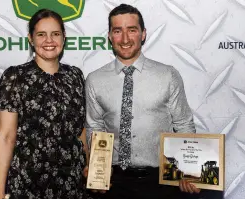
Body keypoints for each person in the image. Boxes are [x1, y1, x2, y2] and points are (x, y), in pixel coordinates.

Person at [85, 4, 206, 199]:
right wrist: (97, 172)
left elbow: (184, 124)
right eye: (118, 31)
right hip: (114, 183)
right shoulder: (94, 80)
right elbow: (95, 128)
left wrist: (189, 170)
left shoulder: (168, 75)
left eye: (132, 30)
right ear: (109, 36)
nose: (125, 39)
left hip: (160, 183)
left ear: (143, 34)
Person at [0, 9, 88, 199]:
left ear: (64, 37)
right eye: (41, 34)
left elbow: (80, 129)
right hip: (28, 186)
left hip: (73, 185)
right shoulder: (15, 77)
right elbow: (5, 137)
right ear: (30, 39)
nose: (49, 41)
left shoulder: (75, 76)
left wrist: (89, 165)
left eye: (55, 34)